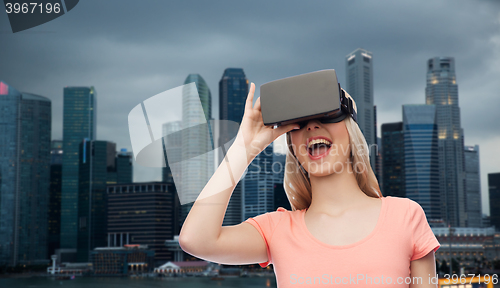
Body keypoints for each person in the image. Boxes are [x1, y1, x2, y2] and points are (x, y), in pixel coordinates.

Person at [179, 82, 440, 287]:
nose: (312, 126)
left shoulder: (405, 216)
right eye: (300, 123)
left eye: (327, 115)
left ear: (351, 130)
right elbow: (195, 240)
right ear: (292, 145)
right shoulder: (277, 231)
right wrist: (244, 148)